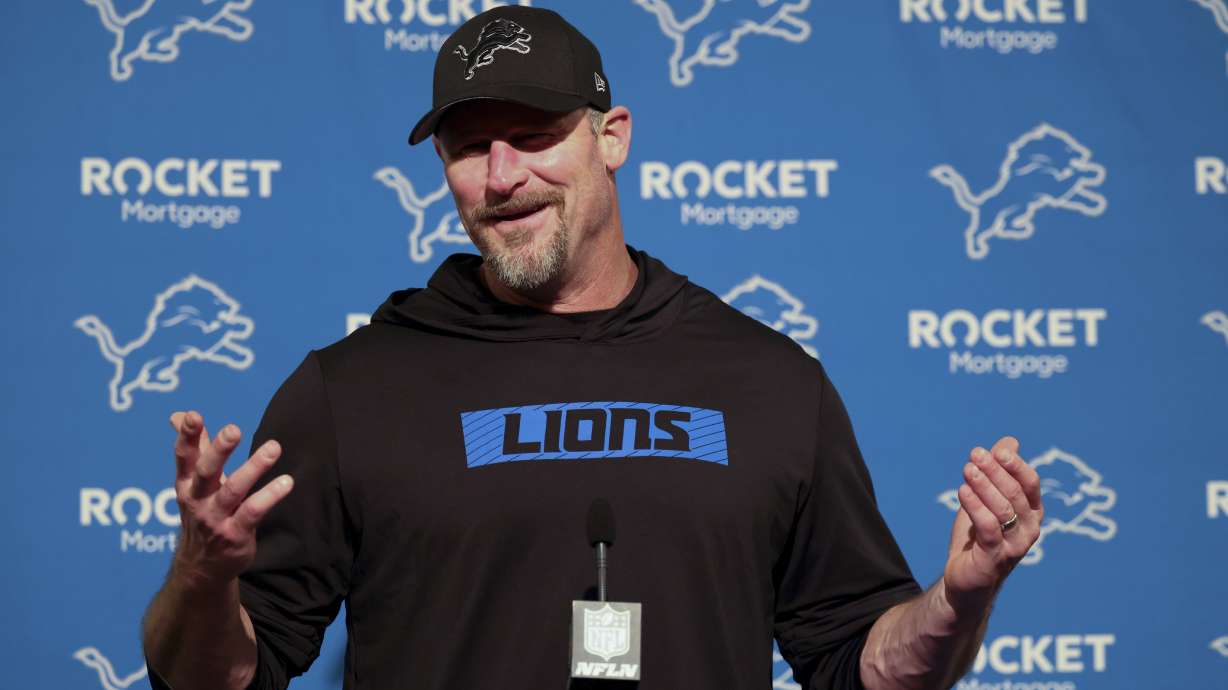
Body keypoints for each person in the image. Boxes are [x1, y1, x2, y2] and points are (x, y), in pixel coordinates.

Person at [140, 6, 1043, 690]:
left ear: (611, 139)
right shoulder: (351, 389)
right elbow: (217, 676)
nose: (501, 177)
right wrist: (201, 579)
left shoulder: (769, 381)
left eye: (532, 137)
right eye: (469, 148)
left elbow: (859, 662)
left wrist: (958, 602)